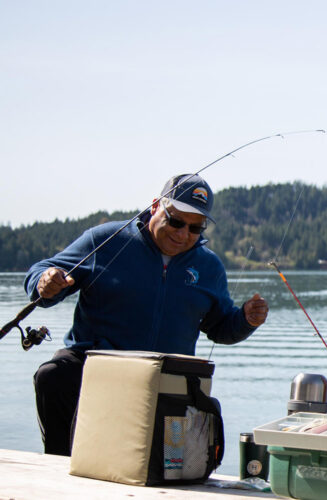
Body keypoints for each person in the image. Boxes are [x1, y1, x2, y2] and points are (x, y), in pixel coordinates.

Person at [24, 173, 269, 456]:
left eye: (195, 229)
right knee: (52, 376)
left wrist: (246, 321)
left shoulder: (210, 267)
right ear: (155, 206)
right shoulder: (106, 240)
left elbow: (221, 327)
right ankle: (60, 466)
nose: (182, 234)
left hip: (166, 377)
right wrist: (45, 281)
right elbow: (43, 275)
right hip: (98, 366)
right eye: (175, 221)